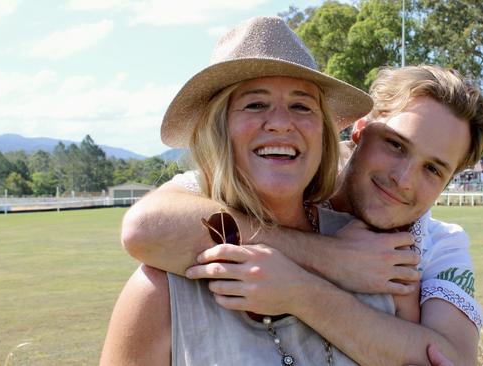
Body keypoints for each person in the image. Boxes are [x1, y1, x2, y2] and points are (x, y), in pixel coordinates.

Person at [115, 64, 483, 365]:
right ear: (358, 132)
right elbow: (146, 226)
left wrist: (300, 292)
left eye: (433, 170)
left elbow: (450, 359)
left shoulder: (426, 251)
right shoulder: (286, 169)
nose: (403, 179)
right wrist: (336, 259)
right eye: (395, 145)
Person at [100, 15, 422, 365]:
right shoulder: (161, 290)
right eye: (255, 104)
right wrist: (331, 259)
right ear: (218, 130)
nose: (281, 123)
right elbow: (142, 227)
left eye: (301, 106)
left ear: (324, 134)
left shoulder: (377, 255)